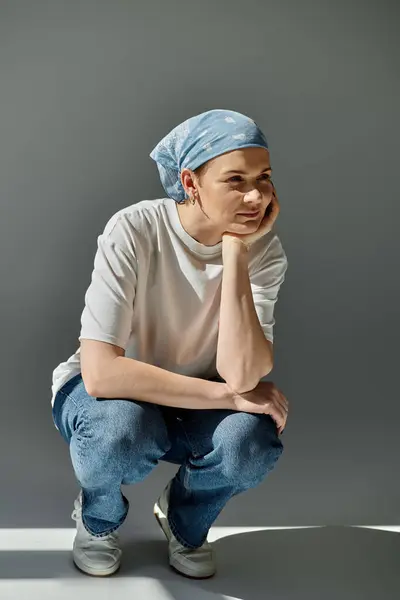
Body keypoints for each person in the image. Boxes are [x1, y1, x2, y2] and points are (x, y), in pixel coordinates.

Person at [51, 108, 289, 579]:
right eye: (235, 179)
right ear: (191, 182)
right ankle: (98, 520)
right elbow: (102, 374)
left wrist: (236, 251)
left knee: (252, 443)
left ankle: (186, 522)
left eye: (264, 178)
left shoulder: (265, 252)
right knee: (120, 431)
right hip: (109, 400)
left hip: (191, 404)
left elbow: (244, 375)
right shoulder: (134, 229)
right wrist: (227, 396)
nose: (255, 196)